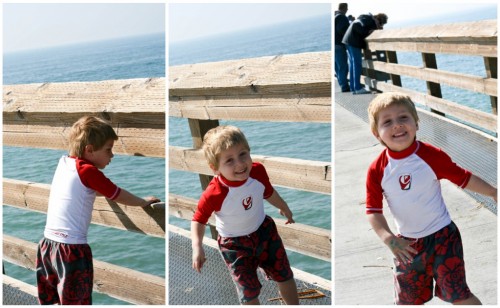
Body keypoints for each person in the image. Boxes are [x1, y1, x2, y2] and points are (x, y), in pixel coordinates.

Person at [365, 92, 497, 305]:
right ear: (376, 133)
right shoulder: (377, 169)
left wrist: (493, 192)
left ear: (417, 124)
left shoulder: (431, 156)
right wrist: (388, 238)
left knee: (459, 295)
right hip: (406, 245)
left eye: (403, 118)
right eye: (387, 122)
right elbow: (373, 211)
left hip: (444, 238)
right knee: (407, 301)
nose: (397, 125)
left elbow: (463, 178)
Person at [36, 116, 161, 305]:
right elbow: (116, 194)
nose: (112, 155)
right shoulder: (88, 171)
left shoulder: (65, 164)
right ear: (89, 150)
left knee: (51, 301)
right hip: (71, 250)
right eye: (108, 149)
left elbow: (83, 190)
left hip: (47, 246)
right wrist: (142, 201)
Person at [191, 125, 299, 305]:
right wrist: (197, 247)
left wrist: (283, 207)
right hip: (235, 245)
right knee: (248, 293)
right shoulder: (214, 193)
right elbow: (198, 220)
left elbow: (268, 192)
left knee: (284, 274)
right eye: (229, 160)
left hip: (264, 232)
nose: (240, 164)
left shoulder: (257, 171)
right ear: (215, 168)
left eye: (243, 154)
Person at [342, 13, 388, 94]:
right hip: (353, 41)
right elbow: (357, 26)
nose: (379, 25)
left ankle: (353, 88)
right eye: (380, 23)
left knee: (353, 64)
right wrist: (369, 32)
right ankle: (358, 88)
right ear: (377, 19)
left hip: (348, 40)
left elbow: (358, 24)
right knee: (357, 64)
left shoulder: (365, 17)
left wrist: (369, 31)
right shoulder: (370, 20)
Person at [335, 3, 350, 92]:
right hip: (339, 45)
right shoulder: (342, 17)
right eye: (347, 9)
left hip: (334, 45)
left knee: (337, 67)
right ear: (344, 8)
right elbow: (342, 29)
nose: (347, 10)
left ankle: (342, 84)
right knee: (343, 66)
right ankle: (344, 86)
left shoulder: (335, 17)